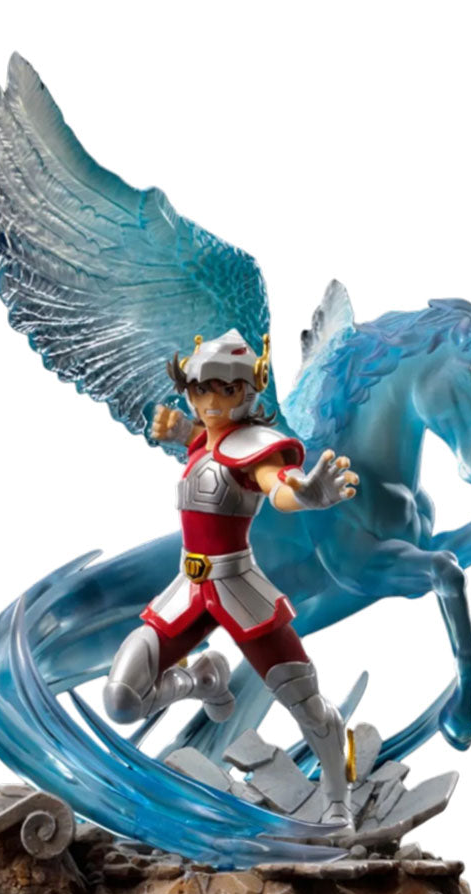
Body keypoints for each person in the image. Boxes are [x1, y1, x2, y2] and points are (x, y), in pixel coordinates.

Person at [102, 329, 360, 830]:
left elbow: (276, 485)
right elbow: (207, 447)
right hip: (187, 589)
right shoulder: (205, 439)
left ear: (248, 391)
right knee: (123, 697)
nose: (212, 402)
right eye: (201, 389)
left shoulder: (259, 449)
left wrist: (306, 495)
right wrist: (182, 432)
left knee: (306, 705)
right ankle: (200, 682)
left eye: (226, 389)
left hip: (240, 589)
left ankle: (337, 799)